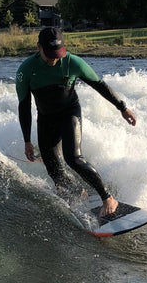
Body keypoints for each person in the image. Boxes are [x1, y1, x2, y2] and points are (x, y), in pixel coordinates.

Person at [15, 27, 137, 219]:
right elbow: (24, 106)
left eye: (58, 54)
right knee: (53, 169)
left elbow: (100, 85)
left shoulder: (72, 62)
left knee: (74, 158)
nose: (54, 59)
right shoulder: (25, 71)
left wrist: (122, 107)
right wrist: (27, 140)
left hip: (69, 113)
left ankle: (108, 198)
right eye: (49, 55)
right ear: (38, 47)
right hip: (46, 118)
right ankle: (77, 192)